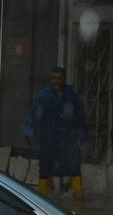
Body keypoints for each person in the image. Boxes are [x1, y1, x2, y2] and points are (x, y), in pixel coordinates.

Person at [25, 66, 88, 197]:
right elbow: (32, 114)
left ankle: (78, 199)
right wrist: (30, 132)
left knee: (74, 167)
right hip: (49, 138)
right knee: (45, 168)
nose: (55, 81)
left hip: (69, 138)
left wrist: (83, 136)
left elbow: (80, 116)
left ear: (64, 79)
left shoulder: (72, 96)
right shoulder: (43, 96)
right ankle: (43, 199)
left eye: (58, 78)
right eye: (53, 78)